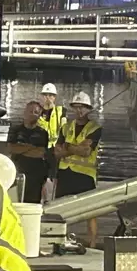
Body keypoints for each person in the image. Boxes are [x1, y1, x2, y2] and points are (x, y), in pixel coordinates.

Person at [54, 91, 102, 247]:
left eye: (83, 107)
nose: (79, 110)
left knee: (91, 211)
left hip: (85, 175)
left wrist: (67, 147)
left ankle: (92, 243)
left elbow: (86, 151)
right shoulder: (66, 127)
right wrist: (75, 148)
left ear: (89, 109)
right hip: (65, 173)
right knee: (60, 210)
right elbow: (57, 152)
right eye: (77, 107)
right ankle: (59, 240)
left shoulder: (95, 128)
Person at [7, 101, 55, 203]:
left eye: (36, 112)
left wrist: (22, 148)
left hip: (36, 175)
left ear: (39, 116)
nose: (33, 114)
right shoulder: (15, 129)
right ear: (25, 112)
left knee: (33, 203)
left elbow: (41, 152)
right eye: (30, 111)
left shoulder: (42, 133)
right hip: (18, 171)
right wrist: (31, 147)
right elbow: (11, 148)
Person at [38, 83, 66, 149]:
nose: (47, 97)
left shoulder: (61, 111)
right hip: (41, 146)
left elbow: (64, 130)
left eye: (50, 95)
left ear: (54, 97)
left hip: (56, 146)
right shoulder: (37, 112)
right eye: (45, 95)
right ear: (42, 96)